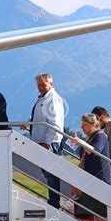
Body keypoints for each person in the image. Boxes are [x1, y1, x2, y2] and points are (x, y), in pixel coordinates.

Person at [24, 73, 64, 209]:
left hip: (50, 143)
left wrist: (47, 143)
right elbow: (41, 119)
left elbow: (55, 124)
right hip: (41, 142)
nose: (40, 87)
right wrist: (29, 123)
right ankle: (53, 202)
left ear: (50, 84)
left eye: (43, 84)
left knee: (52, 175)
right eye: (38, 85)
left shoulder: (53, 100)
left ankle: (54, 204)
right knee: (48, 176)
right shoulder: (43, 99)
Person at [70, 114, 111, 221]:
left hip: (100, 178)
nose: (82, 128)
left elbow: (95, 151)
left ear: (93, 125)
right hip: (92, 178)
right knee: (95, 210)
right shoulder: (92, 137)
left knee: (101, 211)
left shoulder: (100, 136)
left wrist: (81, 142)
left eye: (85, 125)